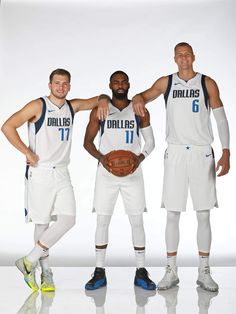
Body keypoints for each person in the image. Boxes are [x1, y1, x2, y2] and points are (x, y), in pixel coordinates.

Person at [131, 42, 230, 292]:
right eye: (179, 55)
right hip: (175, 152)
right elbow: (145, 95)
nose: (184, 58)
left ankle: (204, 271)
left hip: (201, 152)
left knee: (204, 214)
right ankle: (171, 270)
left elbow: (220, 118)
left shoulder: (207, 83)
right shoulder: (167, 82)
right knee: (172, 213)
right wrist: (136, 98)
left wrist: (227, 151)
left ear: (194, 57)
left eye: (187, 54)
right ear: (174, 59)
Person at [1, 68, 108, 292]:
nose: (61, 87)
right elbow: (7, 126)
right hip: (40, 172)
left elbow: (97, 99)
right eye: (57, 83)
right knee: (42, 224)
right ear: (49, 85)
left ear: (69, 86)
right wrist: (27, 152)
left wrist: (105, 100)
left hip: (62, 171)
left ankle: (28, 261)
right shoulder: (37, 106)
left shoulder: (72, 106)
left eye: (65, 83)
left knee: (68, 219)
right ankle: (46, 274)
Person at [83, 70, 156, 291]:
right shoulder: (100, 110)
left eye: (124, 81)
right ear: (110, 85)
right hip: (106, 173)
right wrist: (102, 159)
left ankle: (141, 271)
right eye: (116, 82)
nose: (120, 85)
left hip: (132, 173)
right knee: (102, 221)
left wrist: (139, 158)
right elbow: (87, 142)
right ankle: (99, 271)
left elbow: (150, 142)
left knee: (137, 221)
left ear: (129, 84)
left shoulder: (139, 110)